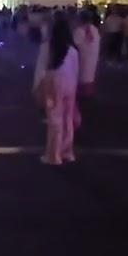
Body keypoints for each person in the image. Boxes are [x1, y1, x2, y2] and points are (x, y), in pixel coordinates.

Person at [33, 14, 80, 165]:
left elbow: (41, 68)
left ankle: (54, 155)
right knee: (68, 118)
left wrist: (37, 87)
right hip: (70, 86)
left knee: (54, 120)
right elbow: (76, 70)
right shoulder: (73, 49)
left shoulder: (48, 47)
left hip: (53, 84)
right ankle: (67, 151)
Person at [73, 9, 101, 98]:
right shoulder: (94, 29)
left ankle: (84, 95)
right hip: (93, 55)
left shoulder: (80, 30)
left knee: (82, 75)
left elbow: (74, 43)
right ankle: (88, 94)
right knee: (89, 75)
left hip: (82, 56)